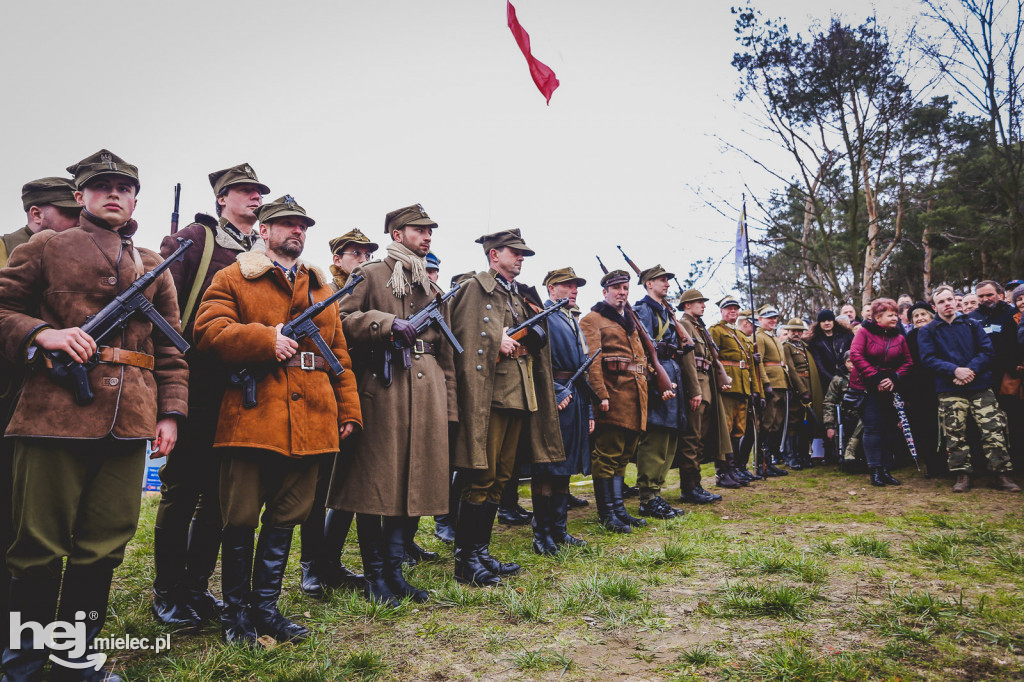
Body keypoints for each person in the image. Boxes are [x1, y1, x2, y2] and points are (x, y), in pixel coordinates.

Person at [0, 150, 188, 680]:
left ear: (133, 199)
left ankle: (74, 659)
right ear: (79, 195)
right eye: (100, 186)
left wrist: (170, 413)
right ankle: (23, 663)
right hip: (53, 415)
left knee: (104, 545)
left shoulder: (153, 265)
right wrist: (42, 333)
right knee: (37, 546)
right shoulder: (44, 248)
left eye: (123, 187)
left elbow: (172, 350)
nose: (113, 193)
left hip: (130, 420)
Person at [194, 195, 362, 645]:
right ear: (263, 231)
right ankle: (236, 615)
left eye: (301, 225)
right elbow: (208, 331)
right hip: (254, 416)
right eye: (285, 224)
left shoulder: (323, 289)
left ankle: (266, 609)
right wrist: (265, 340)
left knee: (287, 516)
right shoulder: (233, 277)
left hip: (313, 418)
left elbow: (339, 353)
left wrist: (348, 410)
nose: (296, 231)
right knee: (241, 518)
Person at [152, 163, 271, 629]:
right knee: (182, 489)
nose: (254, 197)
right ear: (222, 198)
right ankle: (167, 591)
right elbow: (161, 309)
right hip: (197, 381)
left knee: (221, 497)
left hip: (244, 388)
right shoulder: (195, 240)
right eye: (243, 191)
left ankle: (198, 588)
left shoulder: (264, 252)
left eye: (258, 191)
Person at [324, 204, 456, 605]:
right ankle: (376, 575)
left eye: (430, 230)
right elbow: (340, 320)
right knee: (375, 487)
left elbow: (448, 353)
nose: (427, 235)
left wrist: (449, 407)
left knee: (415, 485)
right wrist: (384, 323)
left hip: (428, 388)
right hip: (384, 389)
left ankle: (396, 573)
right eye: (419, 230)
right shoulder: (371, 274)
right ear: (397, 234)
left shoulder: (432, 288)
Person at [449, 229, 563, 586]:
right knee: (480, 476)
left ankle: (481, 551)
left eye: (523, 253)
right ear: (494, 254)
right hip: (490, 397)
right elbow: (463, 336)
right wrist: (493, 338)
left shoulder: (516, 294)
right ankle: (466, 558)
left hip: (518, 394)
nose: (521, 258)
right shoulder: (475, 288)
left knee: (500, 478)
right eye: (515, 252)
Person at [0, 176, 81, 654]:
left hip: (42, 406)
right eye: (70, 215)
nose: (79, 225)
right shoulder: (12, 251)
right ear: (37, 216)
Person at [297, 228, 379, 600]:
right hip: (327, 398)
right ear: (337, 259)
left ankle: (330, 559)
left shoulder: (376, 288)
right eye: (355, 253)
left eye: (367, 253)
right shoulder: (325, 291)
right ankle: (312, 566)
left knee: (352, 485)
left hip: (365, 397)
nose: (362, 258)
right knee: (319, 489)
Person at [522, 267, 594, 553]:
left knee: (564, 468)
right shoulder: (544, 316)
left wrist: (588, 410)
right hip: (553, 398)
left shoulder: (570, 318)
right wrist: (554, 390)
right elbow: (535, 361)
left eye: (576, 285)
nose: (574, 289)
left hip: (575, 396)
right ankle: (542, 536)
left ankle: (559, 530)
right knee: (547, 468)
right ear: (551, 289)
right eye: (567, 285)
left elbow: (583, 365)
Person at [920, 286, 1019, 493]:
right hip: (949, 388)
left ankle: (1001, 473)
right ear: (934, 306)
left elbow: (987, 351)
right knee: (955, 432)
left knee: (993, 429)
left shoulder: (973, 324)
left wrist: (969, 371)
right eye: (942, 301)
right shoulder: (927, 331)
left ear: (956, 302)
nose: (947, 304)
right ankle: (962, 474)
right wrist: (955, 371)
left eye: (950, 299)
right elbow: (928, 359)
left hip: (980, 385)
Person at [580, 270, 654, 531]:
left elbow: (641, 358)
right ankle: (607, 514)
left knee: (623, 456)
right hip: (613, 396)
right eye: (617, 288)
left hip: (635, 398)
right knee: (607, 455)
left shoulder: (629, 320)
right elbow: (592, 361)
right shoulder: (592, 319)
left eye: (625, 288)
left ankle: (620, 511)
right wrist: (600, 394)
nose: (622, 292)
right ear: (605, 292)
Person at [630, 265, 691, 519]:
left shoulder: (666, 311)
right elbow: (642, 348)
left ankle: (656, 493)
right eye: (661, 280)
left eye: (667, 279)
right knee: (655, 438)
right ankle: (647, 497)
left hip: (672, 373)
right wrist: (655, 381)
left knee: (669, 439)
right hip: (657, 376)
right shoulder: (642, 310)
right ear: (648, 284)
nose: (666, 284)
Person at [849, 298, 913, 487]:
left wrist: (894, 378)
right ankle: (874, 470)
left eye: (896, 314)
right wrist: (876, 378)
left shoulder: (899, 337)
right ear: (878, 317)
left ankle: (886, 469)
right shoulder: (864, 333)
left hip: (890, 388)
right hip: (867, 388)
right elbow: (856, 355)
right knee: (873, 428)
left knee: (889, 429)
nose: (895, 318)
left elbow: (908, 361)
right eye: (890, 315)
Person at [675, 290, 734, 490]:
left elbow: (710, 359)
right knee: (692, 438)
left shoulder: (699, 328)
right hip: (697, 387)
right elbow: (688, 360)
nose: (703, 305)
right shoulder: (683, 325)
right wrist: (694, 391)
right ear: (686, 305)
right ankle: (690, 487)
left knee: (701, 437)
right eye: (698, 302)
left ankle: (696, 485)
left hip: (706, 385)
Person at [709, 295, 768, 484]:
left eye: (735, 309)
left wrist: (756, 390)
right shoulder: (715, 331)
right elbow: (713, 359)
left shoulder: (743, 336)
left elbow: (750, 366)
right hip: (727, 385)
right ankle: (722, 472)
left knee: (738, 430)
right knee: (725, 430)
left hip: (743, 387)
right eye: (729, 309)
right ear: (721, 311)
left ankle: (733, 469)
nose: (732, 311)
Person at [905, 301, 943, 477]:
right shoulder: (910, 337)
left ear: (931, 315)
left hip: (941, 383)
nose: (920, 318)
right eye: (916, 316)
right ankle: (933, 466)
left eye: (923, 314)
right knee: (924, 428)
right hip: (918, 389)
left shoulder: (941, 332)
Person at [754, 305, 791, 475]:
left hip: (781, 383)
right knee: (767, 423)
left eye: (775, 318)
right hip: (770, 384)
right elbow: (758, 361)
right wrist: (765, 383)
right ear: (760, 319)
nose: (773, 321)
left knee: (777, 423)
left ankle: (769, 461)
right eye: (769, 318)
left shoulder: (774, 338)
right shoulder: (759, 336)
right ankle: (762, 462)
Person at [782, 318, 823, 468]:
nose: (797, 333)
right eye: (794, 330)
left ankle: (804, 455)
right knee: (793, 422)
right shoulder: (786, 347)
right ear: (789, 331)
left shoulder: (804, 347)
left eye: (799, 331)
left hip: (809, 385)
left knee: (806, 423)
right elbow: (791, 369)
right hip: (796, 388)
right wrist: (802, 390)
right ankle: (791, 457)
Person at [823, 352, 863, 469]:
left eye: (855, 361)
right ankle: (848, 451)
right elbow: (829, 402)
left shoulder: (865, 376)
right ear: (844, 363)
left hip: (864, 410)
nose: (852, 364)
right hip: (847, 411)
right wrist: (829, 425)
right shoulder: (838, 379)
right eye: (849, 361)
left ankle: (854, 448)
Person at [808, 309, 854, 392]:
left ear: (833, 321)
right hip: (826, 381)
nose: (827, 323)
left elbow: (853, 354)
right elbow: (819, 364)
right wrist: (833, 380)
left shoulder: (846, 335)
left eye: (829, 320)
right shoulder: (814, 341)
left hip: (849, 378)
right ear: (819, 323)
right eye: (823, 321)